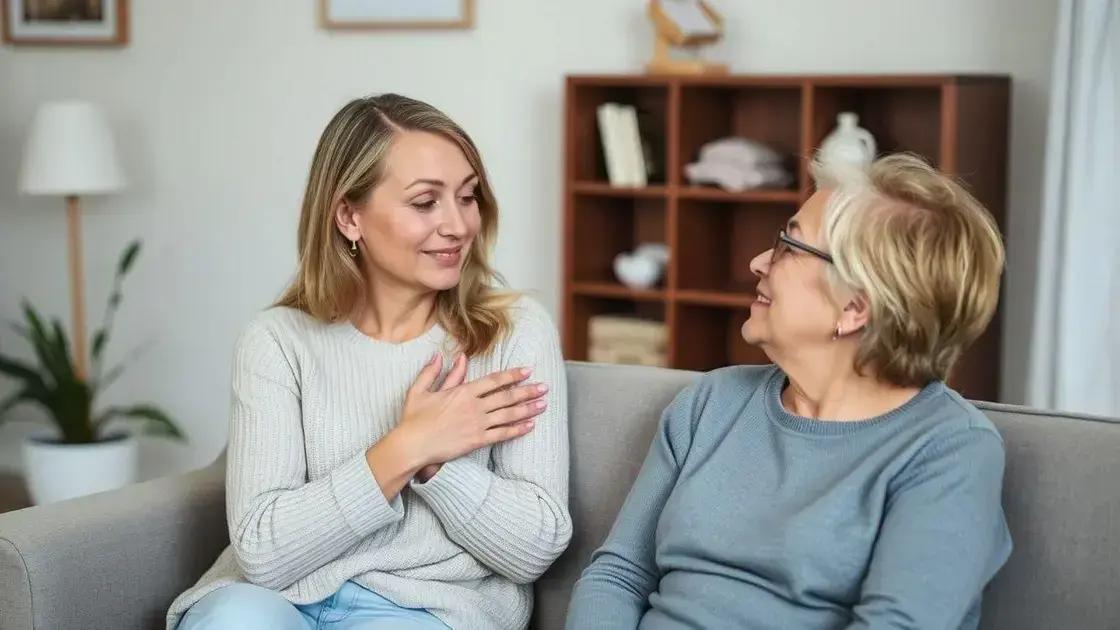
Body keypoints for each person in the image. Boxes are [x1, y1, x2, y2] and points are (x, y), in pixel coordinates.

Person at [168, 94, 571, 630]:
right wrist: (409, 446)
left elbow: (534, 547)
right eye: (426, 202)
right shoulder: (276, 341)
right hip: (274, 600)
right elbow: (261, 551)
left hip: (428, 609)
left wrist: (438, 467)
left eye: (468, 196)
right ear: (349, 216)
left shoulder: (514, 333)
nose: (457, 225)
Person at [566, 152, 1012, 629]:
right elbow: (619, 575)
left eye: (788, 247)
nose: (758, 261)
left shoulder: (949, 451)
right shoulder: (710, 404)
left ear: (854, 307)